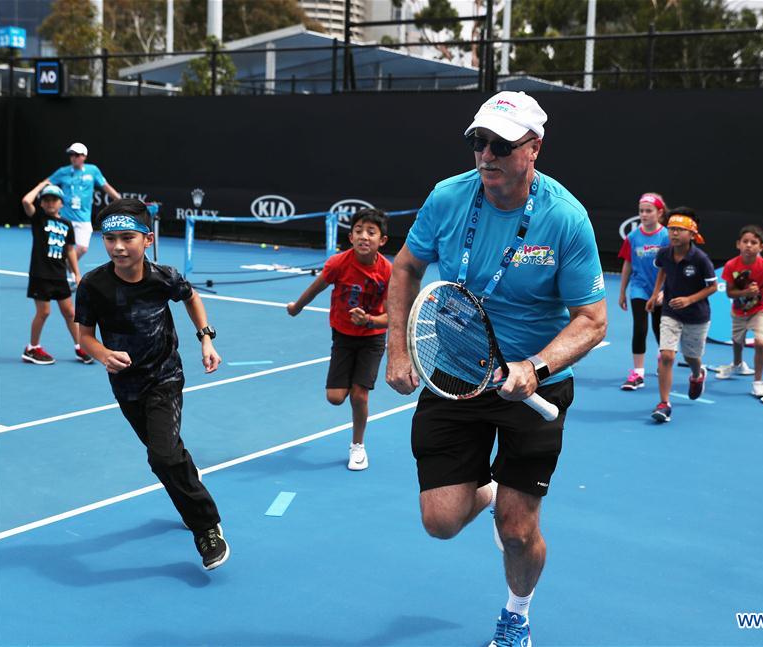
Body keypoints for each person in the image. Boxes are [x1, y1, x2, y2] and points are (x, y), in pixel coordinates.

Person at [385, 91, 607, 647]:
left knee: (517, 528)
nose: (486, 155)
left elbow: (592, 321)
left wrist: (535, 364)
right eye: (479, 141)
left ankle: (516, 616)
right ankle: (487, 490)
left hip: (534, 386)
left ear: (534, 148)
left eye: (501, 146)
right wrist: (396, 349)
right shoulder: (447, 198)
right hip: (457, 370)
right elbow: (406, 266)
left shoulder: (565, 218)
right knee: (439, 521)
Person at [75, 198, 229, 570]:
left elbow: (190, 297)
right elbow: (84, 335)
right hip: (126, 386)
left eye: (127, 237)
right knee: (169, 454)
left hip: (165, 377)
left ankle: (206, 526)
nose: (118, 247)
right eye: (110, 238)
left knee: (162, 457)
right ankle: (187, 478)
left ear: (147, 240)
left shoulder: (164, 277)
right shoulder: (93, 285)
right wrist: (101, 353)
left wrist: (206, 338)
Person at [286, 208, 391, 471]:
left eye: (371, 232)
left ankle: (358, 446)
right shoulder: (338, 263)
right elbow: (316, 288)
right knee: (335, 397)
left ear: (382, 240)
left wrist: (368, 320)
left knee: (360, 395)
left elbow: (392, 317)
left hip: (372, 337)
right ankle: (345, 389)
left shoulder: (388, 271)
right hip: (343, 335)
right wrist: (296, 307)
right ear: (351, 236)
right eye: (358, 231)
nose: (363, 237)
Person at [646, 207, 717, 423]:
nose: (674, 233)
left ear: (692, 235)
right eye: (671, 229)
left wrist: (689, 299)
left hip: (697, 315)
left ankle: (697, 375)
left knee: (691, 357)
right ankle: (664, 403)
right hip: (670, 311)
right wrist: (655, 293)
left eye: (680, 230)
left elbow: (713, 287)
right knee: (667, 355)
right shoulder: (664, 253)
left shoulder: (701, 259)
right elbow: (662, 270)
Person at [19, 182, 92, 365]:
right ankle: (32, 348)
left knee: (69, 312)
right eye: (46, 200)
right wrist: (42, 185)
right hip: (40, 275)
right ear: (42, 203)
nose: (50, 203)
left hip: (59, 275)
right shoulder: (39, 219)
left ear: (61, 203)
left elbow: (69, 251)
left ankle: (79, 346)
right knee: (43, 312)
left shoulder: (66, 224)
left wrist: (76, 273)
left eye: (54, 200)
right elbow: (26, 201)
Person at [718, 225, 763, 398]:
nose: (749, 245)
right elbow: (729, 293)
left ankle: (758, 382)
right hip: (739, 311)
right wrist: (745, 293)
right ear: (738, 244)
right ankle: (738, 364)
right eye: (745, 242)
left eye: (754, 242)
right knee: (737, 342)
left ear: (761, 247)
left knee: (760, 343)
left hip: (760, 310)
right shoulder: (731, 266)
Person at [618, 192, 669, 390]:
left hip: (661, 290)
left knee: (659, 328)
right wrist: (622, 292)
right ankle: (638, 373)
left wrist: (666, 291)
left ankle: (662, 357)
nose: (644, 215)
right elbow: (627, 265)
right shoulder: (632, 237)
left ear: (659, 212)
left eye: (649, 211)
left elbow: (671, 267)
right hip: (639, 288)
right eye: (641, 211)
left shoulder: (666, 236)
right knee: (640, 328)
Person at [45, 142, 121, 264]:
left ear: (84, 156)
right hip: (65, 218)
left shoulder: (93, 170)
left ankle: (64, 267)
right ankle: (62, 271)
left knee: (82, 248)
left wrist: (120, 200)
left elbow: (106, 186)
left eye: (77, 155)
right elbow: (47, 183)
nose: (73, 157)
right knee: (61, 248)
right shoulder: (62, 172)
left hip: (83, 218)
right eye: (71, 155)